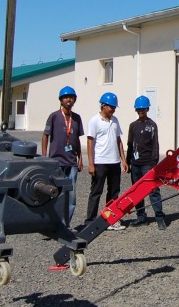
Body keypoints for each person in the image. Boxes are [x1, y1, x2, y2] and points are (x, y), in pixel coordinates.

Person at [84, 92, 128, 230]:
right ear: (103, 106)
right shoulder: (94, 121)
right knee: (96, 192)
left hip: (114, 162)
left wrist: (123, 160)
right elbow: (90, 142)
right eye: (111, 107)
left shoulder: (115, 121)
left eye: (114, 107)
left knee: (114, 192)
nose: (113, 110)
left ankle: (111, 219)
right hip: (100, 162)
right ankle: (90, 221)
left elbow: (118, 140)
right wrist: (91, 164)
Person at [41, 86, 84, 228]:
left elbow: (77, 140)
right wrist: (44, 157)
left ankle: (65, 225)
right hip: (56, 162)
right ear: (61, 100)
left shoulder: (77, 118)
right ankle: (50, 223)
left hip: (71, 163)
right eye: (66, 97)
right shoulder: (54, 116)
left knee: (71, 197)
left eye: (71, 97)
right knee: (54, 194)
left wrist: (80, 158)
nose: (68, 100)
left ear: (74, 100)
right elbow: (45, 136)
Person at [127, 95, 166, 229]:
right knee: (137, 192)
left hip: (147, 164)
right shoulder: (132, 126)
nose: (140, 111)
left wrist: (153, 164)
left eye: (143, 109)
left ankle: (160, 217)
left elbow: (155, 145)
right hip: (135, 164)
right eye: (138, 109)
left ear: (147, 109)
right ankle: (141, 217)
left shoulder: (152, 125)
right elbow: (130, 145)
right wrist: (127, 162)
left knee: (153, 190)